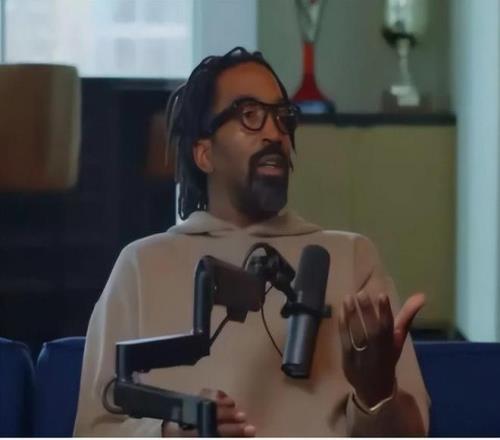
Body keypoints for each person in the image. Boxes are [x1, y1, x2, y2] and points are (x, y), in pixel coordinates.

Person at [74, 47, 429, 437]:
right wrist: (172, 432)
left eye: (281, 117)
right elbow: (94, 430)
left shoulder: (353, 258)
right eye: (249, 115)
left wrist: (377, 391)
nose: (275, 133)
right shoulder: (142, 266)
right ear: (204, 154)